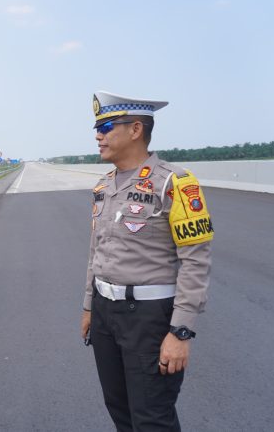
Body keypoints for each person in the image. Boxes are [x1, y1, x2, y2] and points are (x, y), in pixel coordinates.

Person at [81, 91, 214, 431]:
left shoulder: (174, 183)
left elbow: (195, 261)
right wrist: (88, 307)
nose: (98, 135)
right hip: (105, 313)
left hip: (149, 320)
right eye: (97, 128)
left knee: (152, 418)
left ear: (136, 129)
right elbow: (97, 251)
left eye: (106, 126)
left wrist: (181, 332)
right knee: (120, 410)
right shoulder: (103, 185)